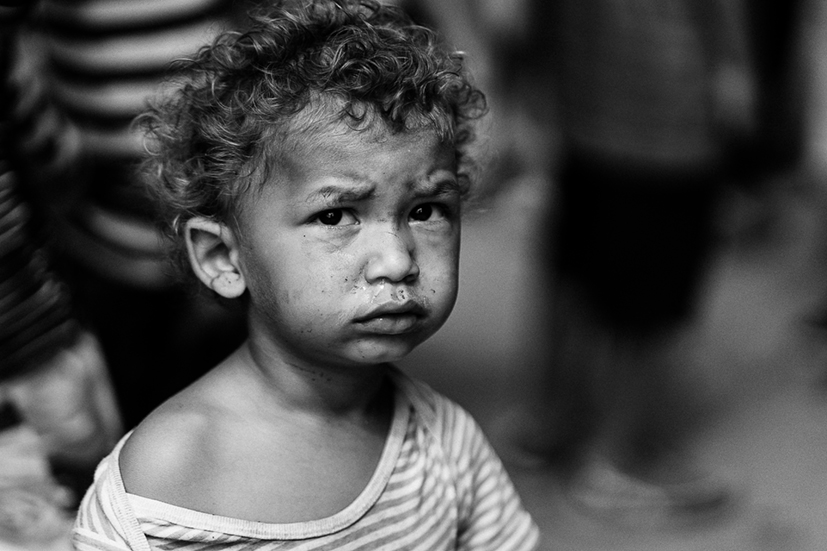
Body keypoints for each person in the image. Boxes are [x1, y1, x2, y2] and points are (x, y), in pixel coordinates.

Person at [71, 1, 540, 549]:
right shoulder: (161, 485)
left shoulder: (447, 446)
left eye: (425, 210)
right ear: (223, 258)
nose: (397, 261)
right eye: (335, 216)